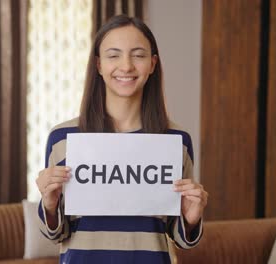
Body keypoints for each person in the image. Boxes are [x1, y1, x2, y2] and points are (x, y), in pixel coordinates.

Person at [35, 14, 208, 264]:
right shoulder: (63, 138)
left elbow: (179, 236)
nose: (126, 66)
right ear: (98, 65)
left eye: (138, 55)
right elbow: (57, 233)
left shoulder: (176, 140)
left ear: (152, 64)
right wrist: (49, 205)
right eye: (113, 55)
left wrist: (191, 218)